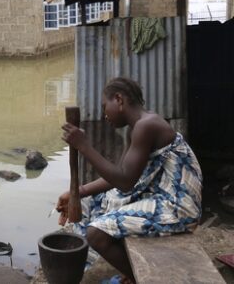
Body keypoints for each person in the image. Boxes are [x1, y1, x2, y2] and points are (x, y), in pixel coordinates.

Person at [56, 77, 202, 284]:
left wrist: (84, 146)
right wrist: (77, 192)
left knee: (96, 233)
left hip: (178, 207)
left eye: (104, 107)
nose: (103, 115)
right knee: (93, 205)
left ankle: (141, 279)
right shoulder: (138, 127)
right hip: (160, 196)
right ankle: (133, 271)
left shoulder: (147, 125)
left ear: (119, 99)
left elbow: (125, 182)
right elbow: (118, 175)